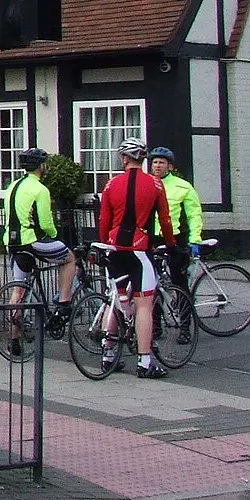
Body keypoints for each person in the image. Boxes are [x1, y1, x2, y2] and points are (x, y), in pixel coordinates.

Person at [95, 136, 177, 378]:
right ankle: (144, 362)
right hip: (139, 250)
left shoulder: (111, 185)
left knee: (115, 300)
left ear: (123, 158)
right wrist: (171, 244)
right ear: (143, 159)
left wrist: (104, 243)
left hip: (114, 249)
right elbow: (165, 219)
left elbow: (104, 220)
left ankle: (108, 356)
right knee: (143, 305)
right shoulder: (155, 185)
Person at [1, 148, 76, 339]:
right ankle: (64, 304)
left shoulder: (12, 186)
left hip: (12, 242)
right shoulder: (40, 189)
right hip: (33, 241)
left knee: (19, 289)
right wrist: (55, 235)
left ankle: (14, 340)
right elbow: (45, 223)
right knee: (68, 259)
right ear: (41, 166)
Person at [149, 146, 201, 291]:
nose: (158, 166)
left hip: (175, 237)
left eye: (162, 162)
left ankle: (185, 312)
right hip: (152, 237)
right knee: (152, 281)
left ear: (169, 166)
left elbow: (194, 214)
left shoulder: (183, 186)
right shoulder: (146, 184)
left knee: (179, 278)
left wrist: (195, 239)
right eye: (155, 162)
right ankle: (156, 313)